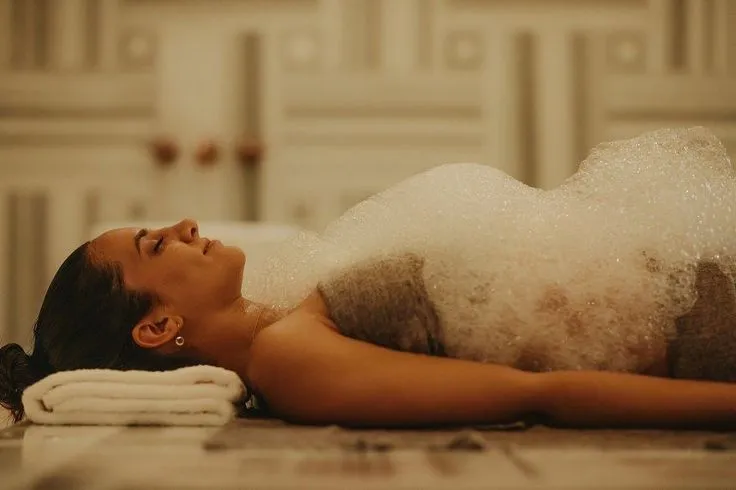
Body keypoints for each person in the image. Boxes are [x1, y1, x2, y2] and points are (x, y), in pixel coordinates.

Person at [3, 128, 736, 429]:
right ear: (158, 326)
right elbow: (537, 394)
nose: (186, 225)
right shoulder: (288, 359)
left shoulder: (290, 306)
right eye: (155, 245)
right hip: (702, 332)